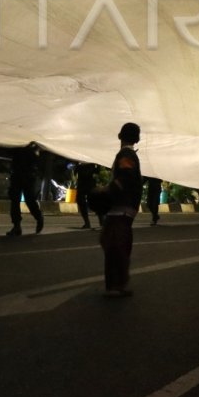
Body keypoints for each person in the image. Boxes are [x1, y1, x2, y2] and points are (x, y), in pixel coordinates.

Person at [99, 122, 142, 297]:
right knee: (115, 244)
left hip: (121, 208)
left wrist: (105, 191)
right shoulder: (128, 154)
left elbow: (125, 176)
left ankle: (117, 285)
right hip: (125, 208)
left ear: (119, 136)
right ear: (137, 139)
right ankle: (117, 284)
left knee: (114, 245)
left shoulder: (126, 154)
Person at [7, 145, 44, 236]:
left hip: (28, 176)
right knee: (15, 200)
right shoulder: (18, 144)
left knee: (29, 200)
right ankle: (17, 226)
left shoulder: (32, 147)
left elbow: (37, 160)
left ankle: (39, 217)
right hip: (17, 174)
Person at [74, 161, 100, 229]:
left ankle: (101, 222)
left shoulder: (91, 162)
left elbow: (97, 171)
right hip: (83, 184)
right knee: (81, 201)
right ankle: (87, 223)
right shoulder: (81, 162)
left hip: (88, 183)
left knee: (95, 203)